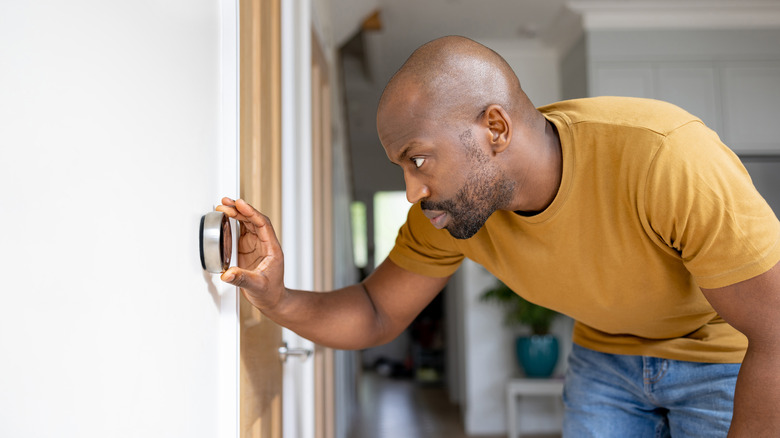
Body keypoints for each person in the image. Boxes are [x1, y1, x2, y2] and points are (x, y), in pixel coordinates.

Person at [216, 36, 780, 437]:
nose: (413, 191)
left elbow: (775, 334)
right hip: (605, 358)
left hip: (726, 358)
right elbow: (374, 312)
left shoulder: (665, 156)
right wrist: (277, 296)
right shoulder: (449, 213)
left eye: (418, 159)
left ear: (495, 128)